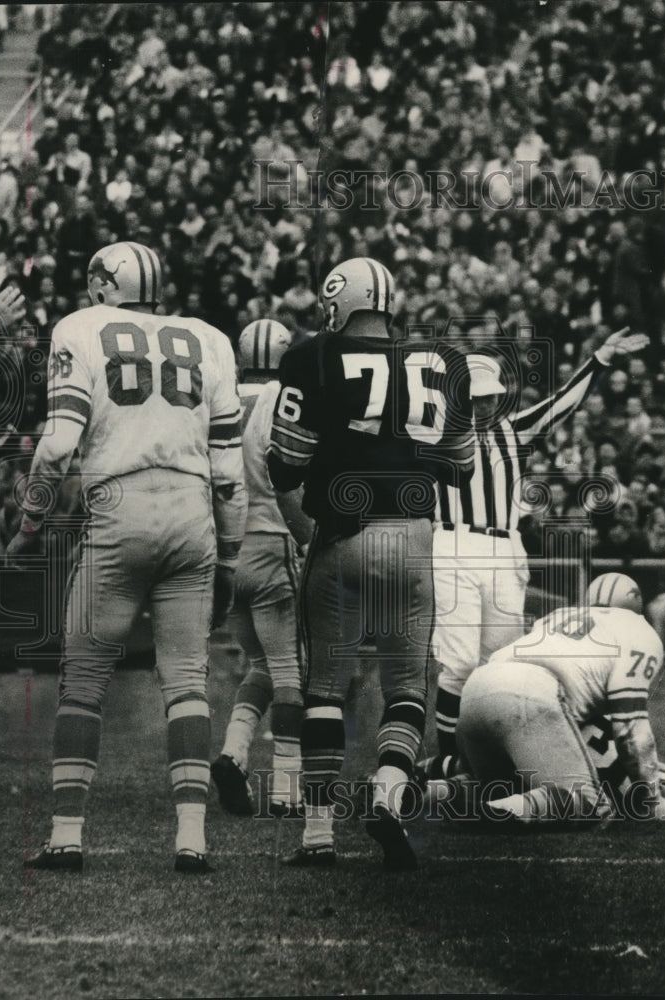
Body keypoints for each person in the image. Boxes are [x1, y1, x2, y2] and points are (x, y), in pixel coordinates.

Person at [6, 241, 246, 874]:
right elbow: (229, 469)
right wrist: (228, 554)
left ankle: (66, 835)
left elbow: (57, 446)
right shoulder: (208, 338)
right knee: (187, 682)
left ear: (101, 285)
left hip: (119, 508)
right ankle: (191, 837)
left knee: (83, 681)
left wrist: (31, 520)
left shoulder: (81, 329)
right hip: (194, 512)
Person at [267, 257, 474, 870]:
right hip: (412, 536)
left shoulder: (312, 357)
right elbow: (460, 465)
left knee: (325, 690)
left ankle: (318, 835)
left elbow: (285, 465)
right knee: (407, 688)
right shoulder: (444, 361)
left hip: (342, 537)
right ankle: (387, 793)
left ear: (339, 300)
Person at [426, 326, 650, 782]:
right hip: (452, 542)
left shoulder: (513, 431)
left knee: (501, 664)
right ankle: (451, 761)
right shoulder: (433, 436)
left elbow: (563, 402)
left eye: (489, 397)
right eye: (474, 397)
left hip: (506, 549)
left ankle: (490, 758)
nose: (483, 405)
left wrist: (600, 359)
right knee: (460, 664)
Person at [455, 572, 665, 824]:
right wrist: (652, 800)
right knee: (591, 806)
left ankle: (429, 793)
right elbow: (630, 726)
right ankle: (496, 810)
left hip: (476, 688)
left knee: (503, 785)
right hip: (532, 693)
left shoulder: (557, 616)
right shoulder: (639, 631)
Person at [211, 318, 311, 819]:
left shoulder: (225, 395)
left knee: (261, 666)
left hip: (227, 551)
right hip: (273, 539)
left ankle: (234, 751)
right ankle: (288, 787)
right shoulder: (283, 397)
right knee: (292, 670)